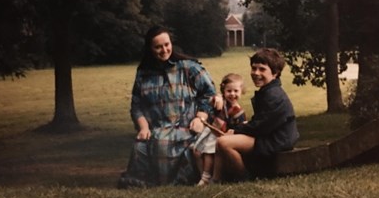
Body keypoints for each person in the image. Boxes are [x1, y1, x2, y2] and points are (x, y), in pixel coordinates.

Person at [117, 25, 217, 188]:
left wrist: (201, 117)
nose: (164, 50)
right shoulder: (143, 73)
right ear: (150, 49)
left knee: (164, 145)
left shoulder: (189, 67)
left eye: (167, 44)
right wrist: (143, 127)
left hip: (187, 129)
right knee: (140, 147)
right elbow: (136, 105)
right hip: (156, 130)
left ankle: (176, 180)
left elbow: (209, 93)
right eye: (158, 47)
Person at [212, 48, 299, 183]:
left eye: (262, 69)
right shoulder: (268, 91)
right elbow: (262, 121)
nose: (256, 73)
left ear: (275, 73)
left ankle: (244, 178)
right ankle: (216, 179)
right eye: (254, 68)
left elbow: (260, 127)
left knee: (224, 142)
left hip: (277, 140)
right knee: (222, 141)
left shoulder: (274, 95)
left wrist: (236, 130)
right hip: (270, 136)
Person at [193, 73, 247, 186]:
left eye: (236, 91)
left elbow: (241, 128)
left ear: (241, 91)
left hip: (220, 135)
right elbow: (211, 101)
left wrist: (233, 132)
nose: (232, 94)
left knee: (208, 152)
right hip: (211, 130)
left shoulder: (238, 111)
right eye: (229, 91)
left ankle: (206, 177)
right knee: (196, 151)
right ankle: (202, 175)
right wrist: (217, 97)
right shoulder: (222, 102)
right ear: (224, 91)